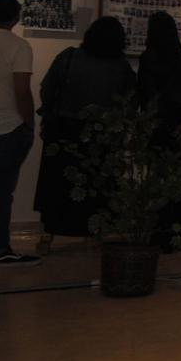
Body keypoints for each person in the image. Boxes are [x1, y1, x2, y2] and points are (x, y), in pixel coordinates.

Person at [34, 17, 135, 243]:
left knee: (57, 186)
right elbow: (128, 101)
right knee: (96, 187)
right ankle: (93, 234)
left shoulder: (68, 57)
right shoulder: (120, 67)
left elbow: (47, 89)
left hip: (63, 131)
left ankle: (49, 233)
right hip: (103, 134)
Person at [0, 0, 40, 267]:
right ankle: (0, 248)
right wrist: (29, 122)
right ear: (16, 15)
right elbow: (21, 91)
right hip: (8, 127)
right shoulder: (19, 46)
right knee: (1, 192)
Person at [136, 11, 181, 254]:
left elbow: (145, 94)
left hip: (157, 124)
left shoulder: (148, 58)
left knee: (157, 178)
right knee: (180, 178)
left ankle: (160, 232)